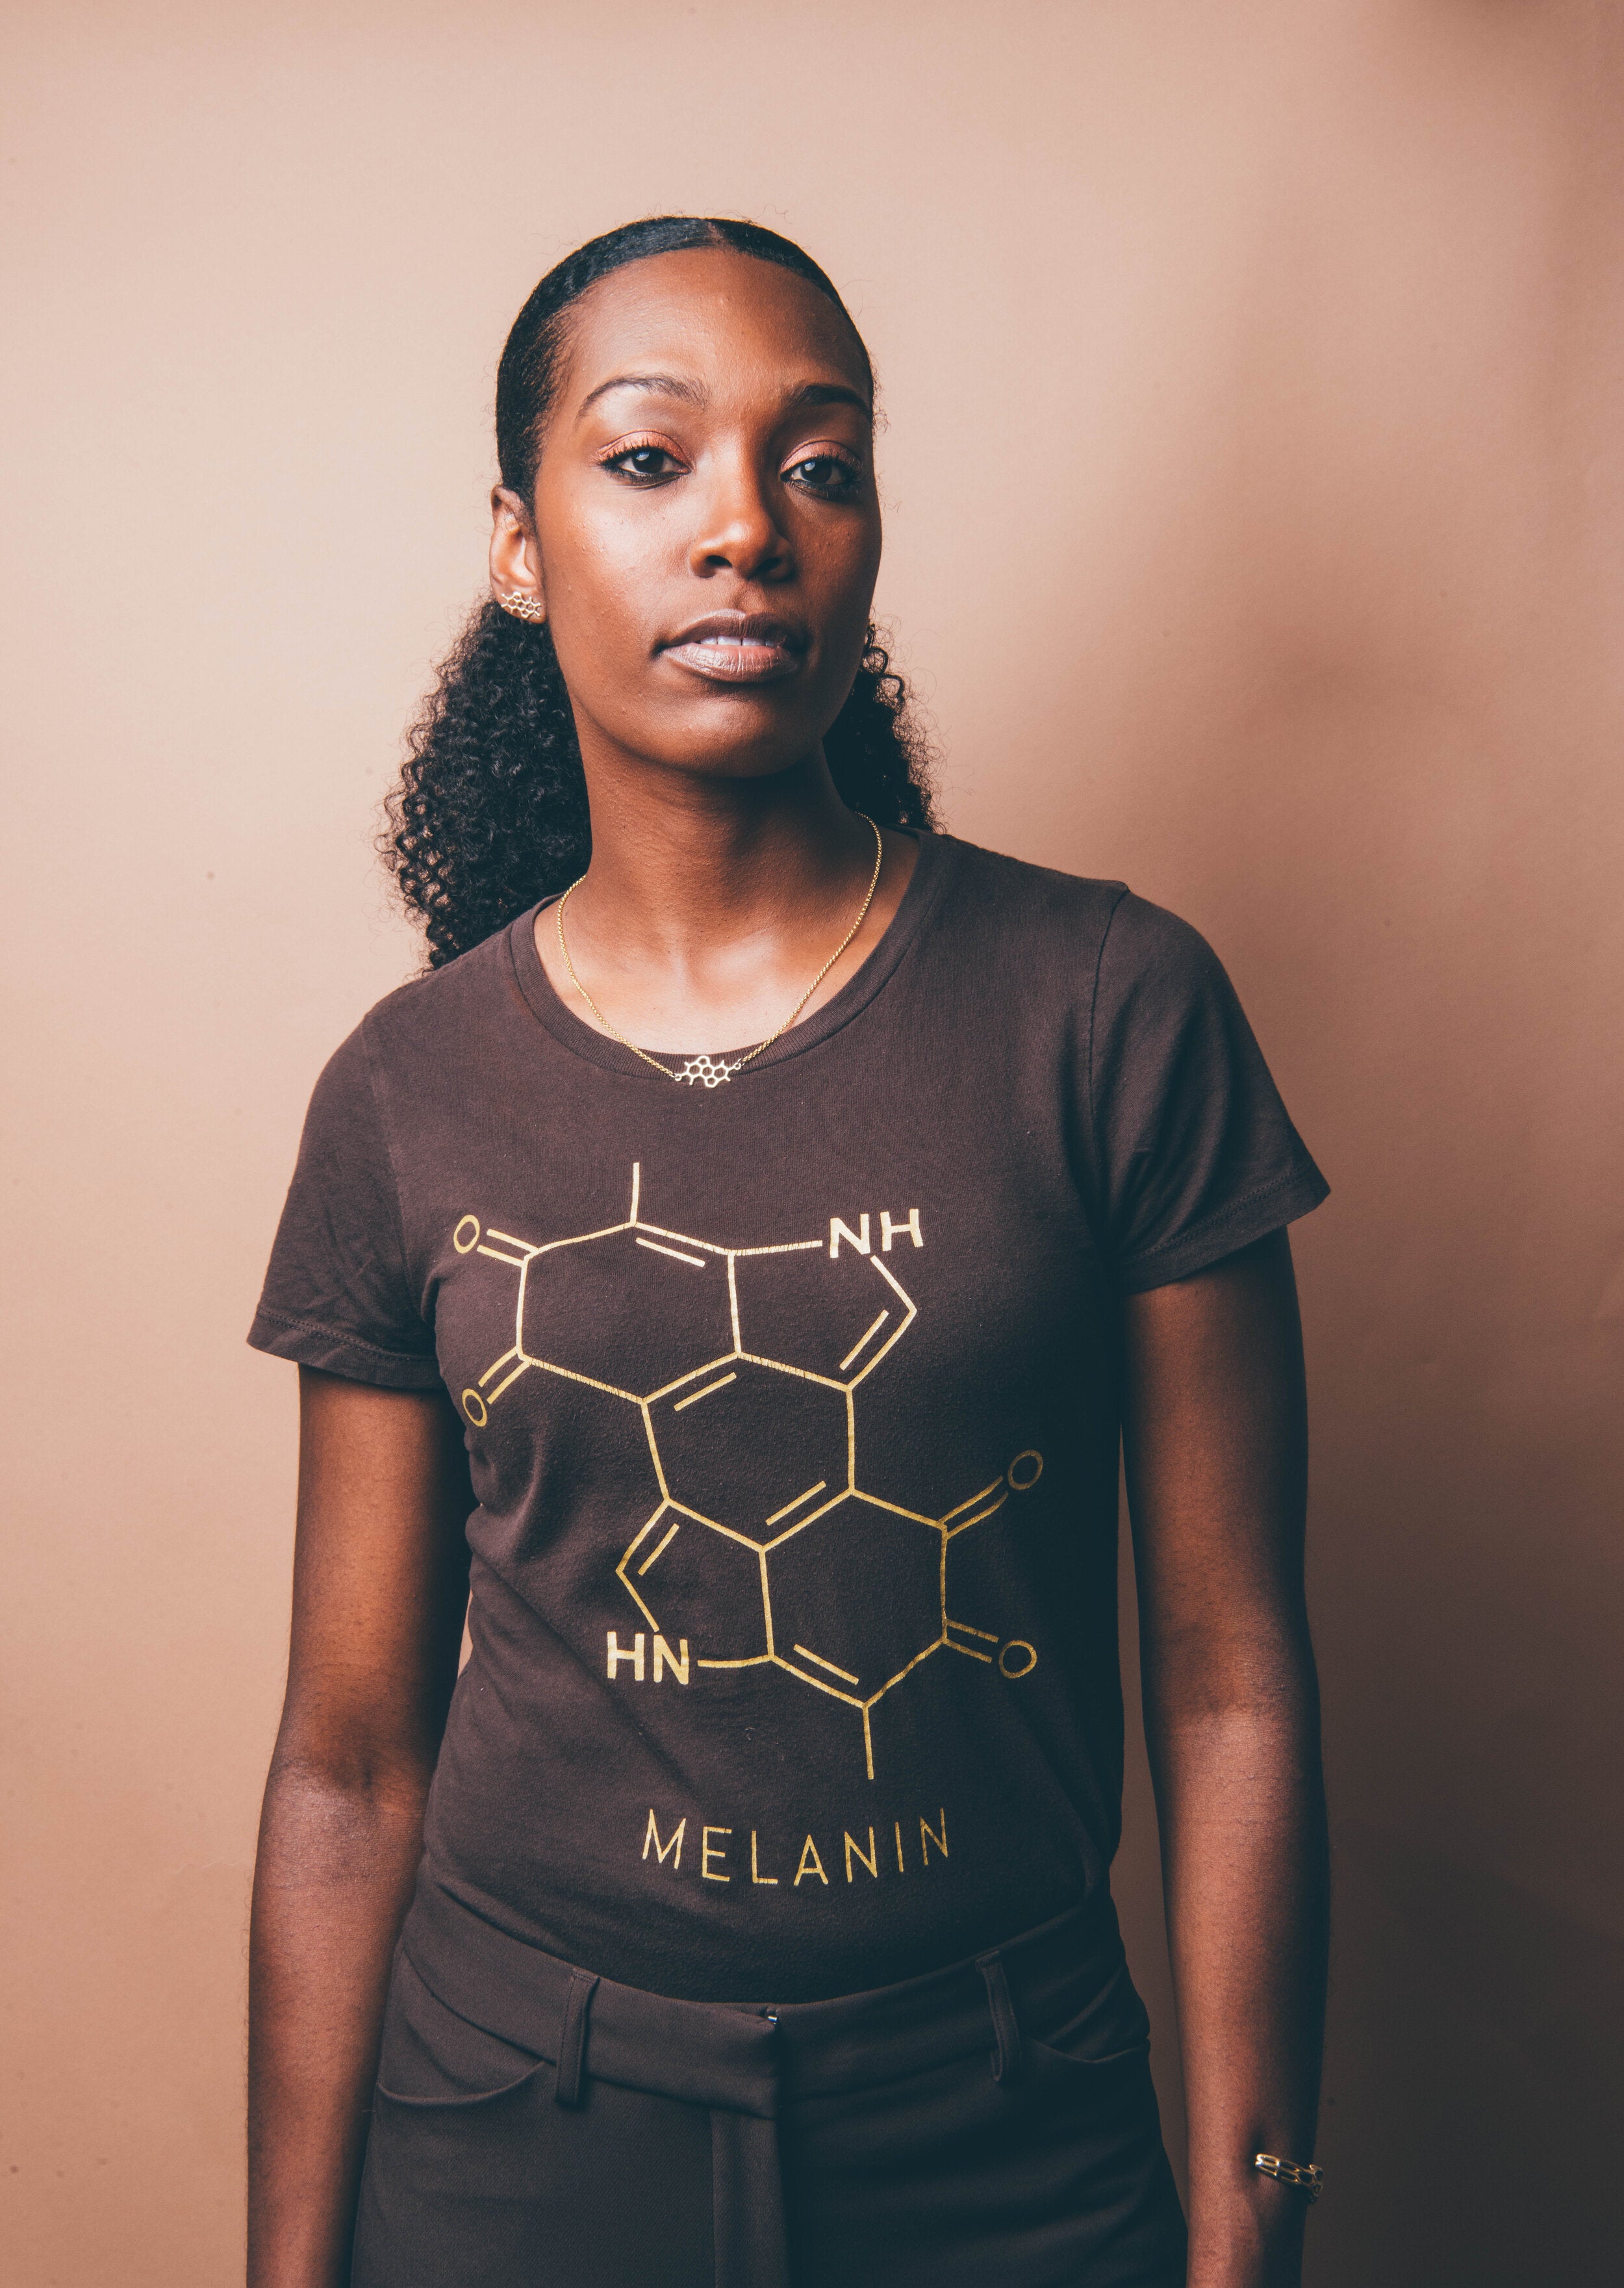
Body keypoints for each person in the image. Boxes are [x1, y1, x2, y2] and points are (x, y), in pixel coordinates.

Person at [246, 215, 1330, 2288]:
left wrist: (1248, 2217)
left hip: (1006, 2123)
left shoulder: (1107, 1006)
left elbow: (1226, 1675)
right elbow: (349, 1752)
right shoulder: (404, 1093)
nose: (743, 522)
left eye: (817, 462)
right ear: (515, 539)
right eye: (649, 459)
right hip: (519, 2137)